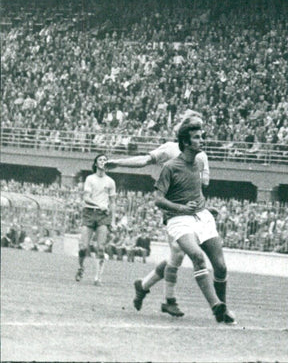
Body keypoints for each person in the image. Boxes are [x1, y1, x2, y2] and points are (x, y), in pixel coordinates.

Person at [107, 110, 210, 318]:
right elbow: (145, 160)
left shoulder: (201, 155)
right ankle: (169, 301)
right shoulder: (170, 149)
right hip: (173, 208)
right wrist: (119, 162)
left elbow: (205, 182)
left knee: (175, 255)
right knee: (178, 253)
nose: (200, 134)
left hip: (191, 210)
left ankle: (143, 286)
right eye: (194, 126)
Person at [153, 115, 236, 324]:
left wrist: (205, 208)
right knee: (198, 257)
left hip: (202, 217)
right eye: (197, 138)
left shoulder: (199, 162)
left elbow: (192, 192)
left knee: (221, 267)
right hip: (179, 220)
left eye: (202, 137)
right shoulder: (170, 167)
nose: (202, 140)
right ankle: (215, 305)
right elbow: (158, 199)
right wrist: (181, 207)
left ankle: (222, 308)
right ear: (186, 142)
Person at [76, 154, 116, 285]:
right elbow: (86, 198)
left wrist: (113, 220)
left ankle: (98, 278)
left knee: (100, 247)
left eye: (105, 160)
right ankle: (81, 267)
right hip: (89, 212)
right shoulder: (90, 179)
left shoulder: (110, 181)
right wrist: (99, 205)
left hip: (103, 216)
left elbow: (113, 202)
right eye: (100, 159)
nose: (103, 161)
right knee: (83, 247)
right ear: (95, 163)